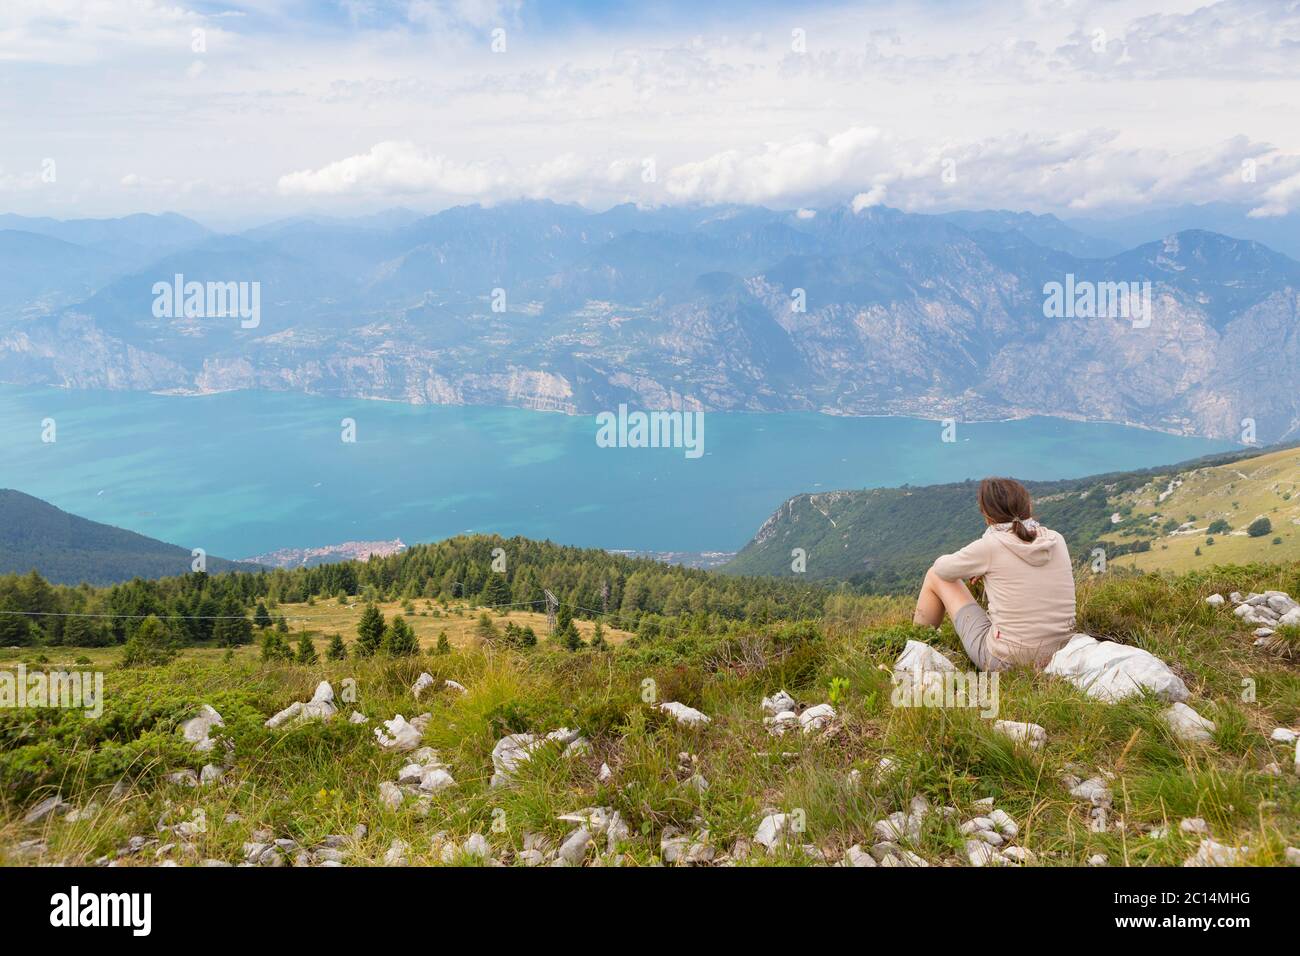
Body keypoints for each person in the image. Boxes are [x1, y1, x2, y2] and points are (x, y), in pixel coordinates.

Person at [913, 477, 1076, 670]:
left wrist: (979, 563)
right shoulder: (1056, 539)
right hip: (1061, 654)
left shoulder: (990, 546)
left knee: (934, 575)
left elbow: (942, 569)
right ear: (1029, 506)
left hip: (1005, 661)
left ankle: (917, 648)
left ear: (986, 516)